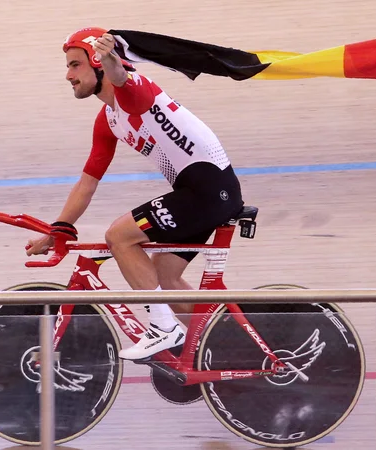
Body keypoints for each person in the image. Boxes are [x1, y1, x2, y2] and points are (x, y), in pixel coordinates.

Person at [26, 27, 245, 361]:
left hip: (208, 190)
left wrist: (111, 57)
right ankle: (223, 350)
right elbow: (88, 182)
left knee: (119, 236)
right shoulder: (109, 119)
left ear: (98, 63)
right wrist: (59, 228)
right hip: (201, 193)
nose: (68, 75)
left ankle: (164, 329)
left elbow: (122, 77)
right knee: (163, 276)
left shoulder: (135, 92)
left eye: (74, 65)